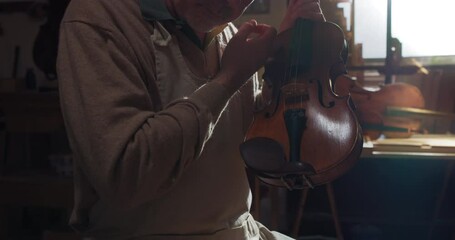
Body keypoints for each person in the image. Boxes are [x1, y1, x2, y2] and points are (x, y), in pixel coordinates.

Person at [57, 0, 325, 239]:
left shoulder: (229, 34)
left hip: (239, 231)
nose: (231, 7)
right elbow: (125, 176)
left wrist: (286, 59)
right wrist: (230, 78)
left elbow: (264, 144)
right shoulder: (99, 18)